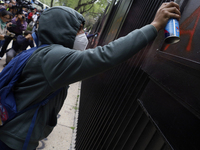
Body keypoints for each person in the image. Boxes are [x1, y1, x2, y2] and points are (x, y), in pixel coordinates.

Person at [0, 2, 181, 150]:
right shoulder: (53, 58)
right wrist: (154, 26)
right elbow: (105, 56)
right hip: (14, 142)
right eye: (78, 30)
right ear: (62, 30)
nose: (83, 35)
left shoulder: (42, 52)